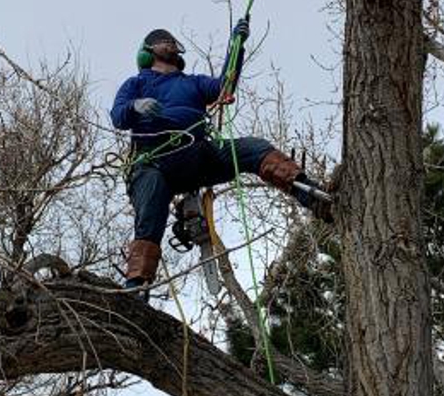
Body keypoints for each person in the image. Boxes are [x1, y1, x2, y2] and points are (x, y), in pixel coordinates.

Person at [111, 19, 332, 296]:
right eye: (161, 40)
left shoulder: (192, 83)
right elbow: (118, 116)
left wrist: (236, 47)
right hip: (154, 160)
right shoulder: (137, 83)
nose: (168, 43)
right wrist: (136, 106)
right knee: (152, 203)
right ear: (148, 51)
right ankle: (137, 284)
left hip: (195, 153)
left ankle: (307, 191)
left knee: (252, 148)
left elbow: (224, 87)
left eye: (170, 40)